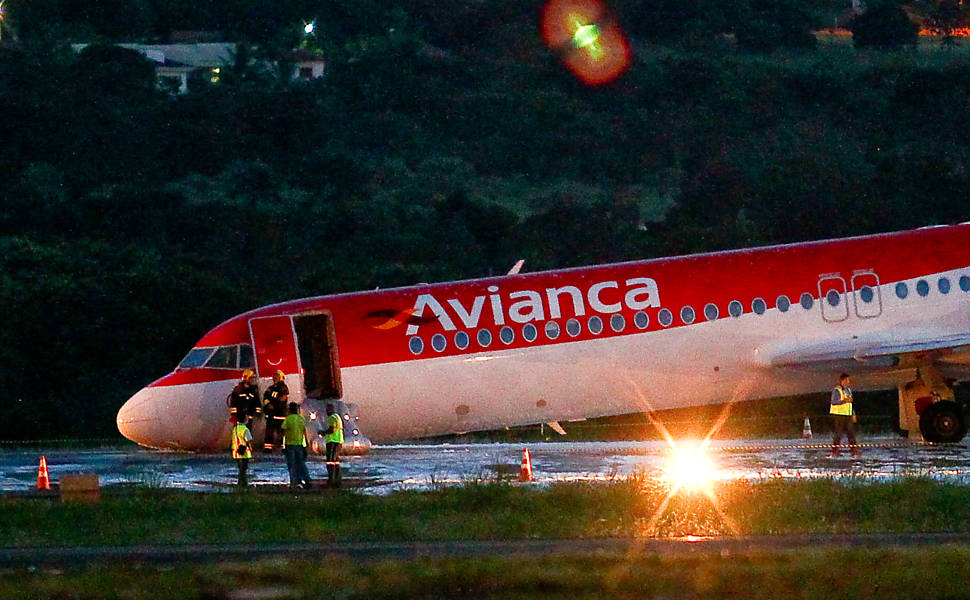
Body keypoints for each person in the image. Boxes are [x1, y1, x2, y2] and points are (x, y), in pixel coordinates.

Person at [281, 402, 311, 489]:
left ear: (289, 409)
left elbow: (283, 431)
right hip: (300, 444)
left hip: (290, 444)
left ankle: (294, 482)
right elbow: (304, 432)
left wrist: (281, 445)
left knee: (291, 464)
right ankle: (306, 479)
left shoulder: (288, 419)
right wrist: (306, 445)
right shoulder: (301, 419)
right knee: (301, 463)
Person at [830, 373, 859, 456]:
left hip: (848, 415)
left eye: (848, 380)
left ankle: (854, 451)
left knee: (851, 433)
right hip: (839, 415)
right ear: (842, 381)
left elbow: (850, 404)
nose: (848, 382)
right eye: (846, 380)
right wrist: (845, 400)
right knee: (838, 434)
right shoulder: (837, 390)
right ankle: (835, 451)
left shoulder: (848, 390)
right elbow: (834, 402)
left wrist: (853, 413)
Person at [262, 370, 289, 452]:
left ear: (281, 378)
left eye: (276, 376)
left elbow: (282, 399)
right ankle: (268, 447)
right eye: (274, 377)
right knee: (269, 430)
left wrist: (274, 405)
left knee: (281, 431)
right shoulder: (270, 388)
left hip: (280, 413)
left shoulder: (283, 387)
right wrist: (268, 404)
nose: (274, 378)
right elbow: (265, 397)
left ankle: (283, 447)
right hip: (271, 413)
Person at [319, 403, 344, 488]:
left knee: (330, 461)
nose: (326, 411)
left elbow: (331, 430)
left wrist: (323, 432)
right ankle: (337, 480)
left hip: (332, 441)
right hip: (339, 440)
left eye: (327, 410)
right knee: (336, 461)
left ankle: (331, 480)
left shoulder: (331, 418)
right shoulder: (338, 417)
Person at [231, 416, 253, 488]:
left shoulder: (235, 429)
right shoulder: (245, 429)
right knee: (243, 469)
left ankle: (240, 483)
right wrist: (251, 448)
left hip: (236, 452)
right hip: (244, 453)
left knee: (240, 469)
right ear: (244, 420)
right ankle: (243, 483)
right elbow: (248, 440)